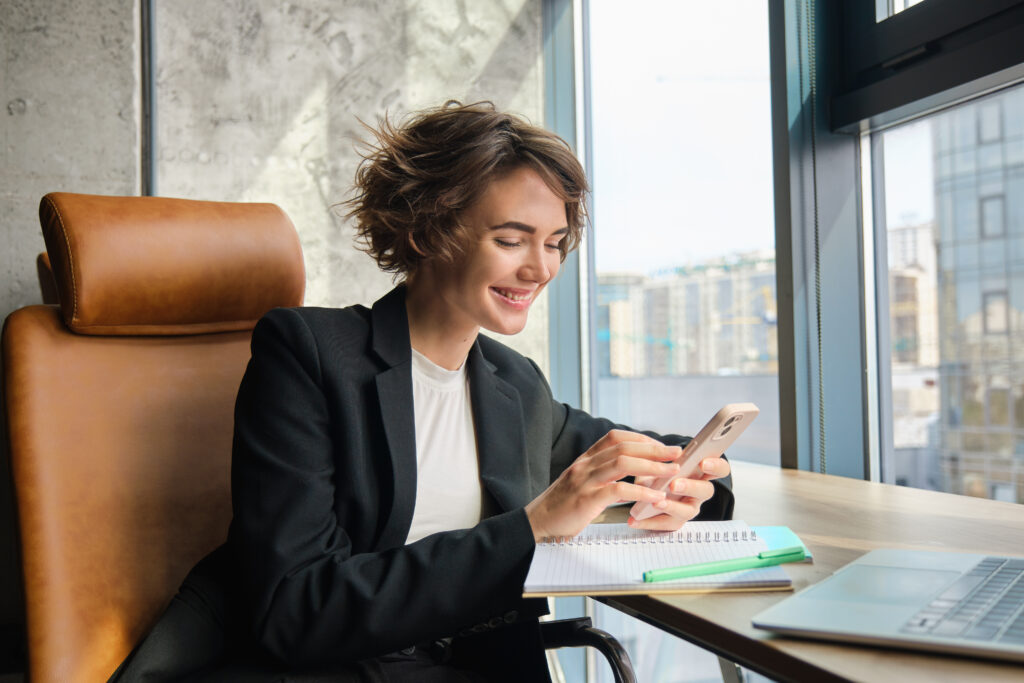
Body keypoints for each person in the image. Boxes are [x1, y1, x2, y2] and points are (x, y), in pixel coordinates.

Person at [114, 101, 733, 682]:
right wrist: (532, 527)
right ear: (426, 232)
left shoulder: (514, 385)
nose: (540, 269)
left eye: (554, 243)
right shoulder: (307, 356)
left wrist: (691, 482)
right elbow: (297, 609)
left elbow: (643, 454)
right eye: (512, 239)